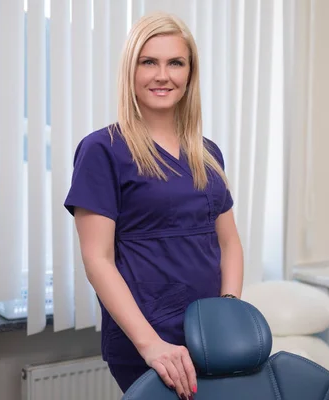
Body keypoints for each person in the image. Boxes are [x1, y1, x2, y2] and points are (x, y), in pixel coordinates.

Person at [63, 12, 244, 400]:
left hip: (209, 337)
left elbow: (228, 243)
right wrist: (150, 345)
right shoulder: (102, 150)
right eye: (149, 62)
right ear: (131, 70)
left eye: (175, 63)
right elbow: (98, 258)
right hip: (150, 342)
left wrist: (228, 314)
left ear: (190, 74)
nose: (163, 75)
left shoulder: (207, 153)